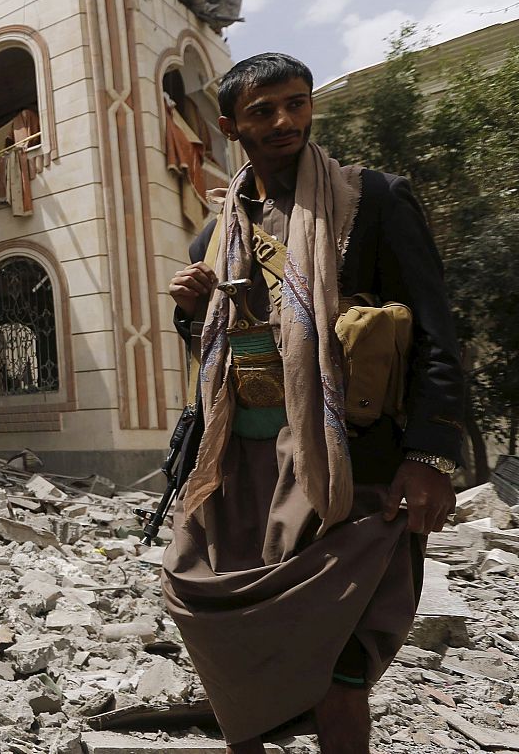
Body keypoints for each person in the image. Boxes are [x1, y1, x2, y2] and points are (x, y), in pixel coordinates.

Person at [162, 53, 464, 754]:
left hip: (348, 466)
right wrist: (192, 314)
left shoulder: (374, 200)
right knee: (230, 642)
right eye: (263, 111)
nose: (285, 121)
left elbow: (434, 330)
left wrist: (430, 456)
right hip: (242, 471)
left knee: (340, 666)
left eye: (296, 103)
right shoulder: (217, 234)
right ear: (234, 126)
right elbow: (220, 357)